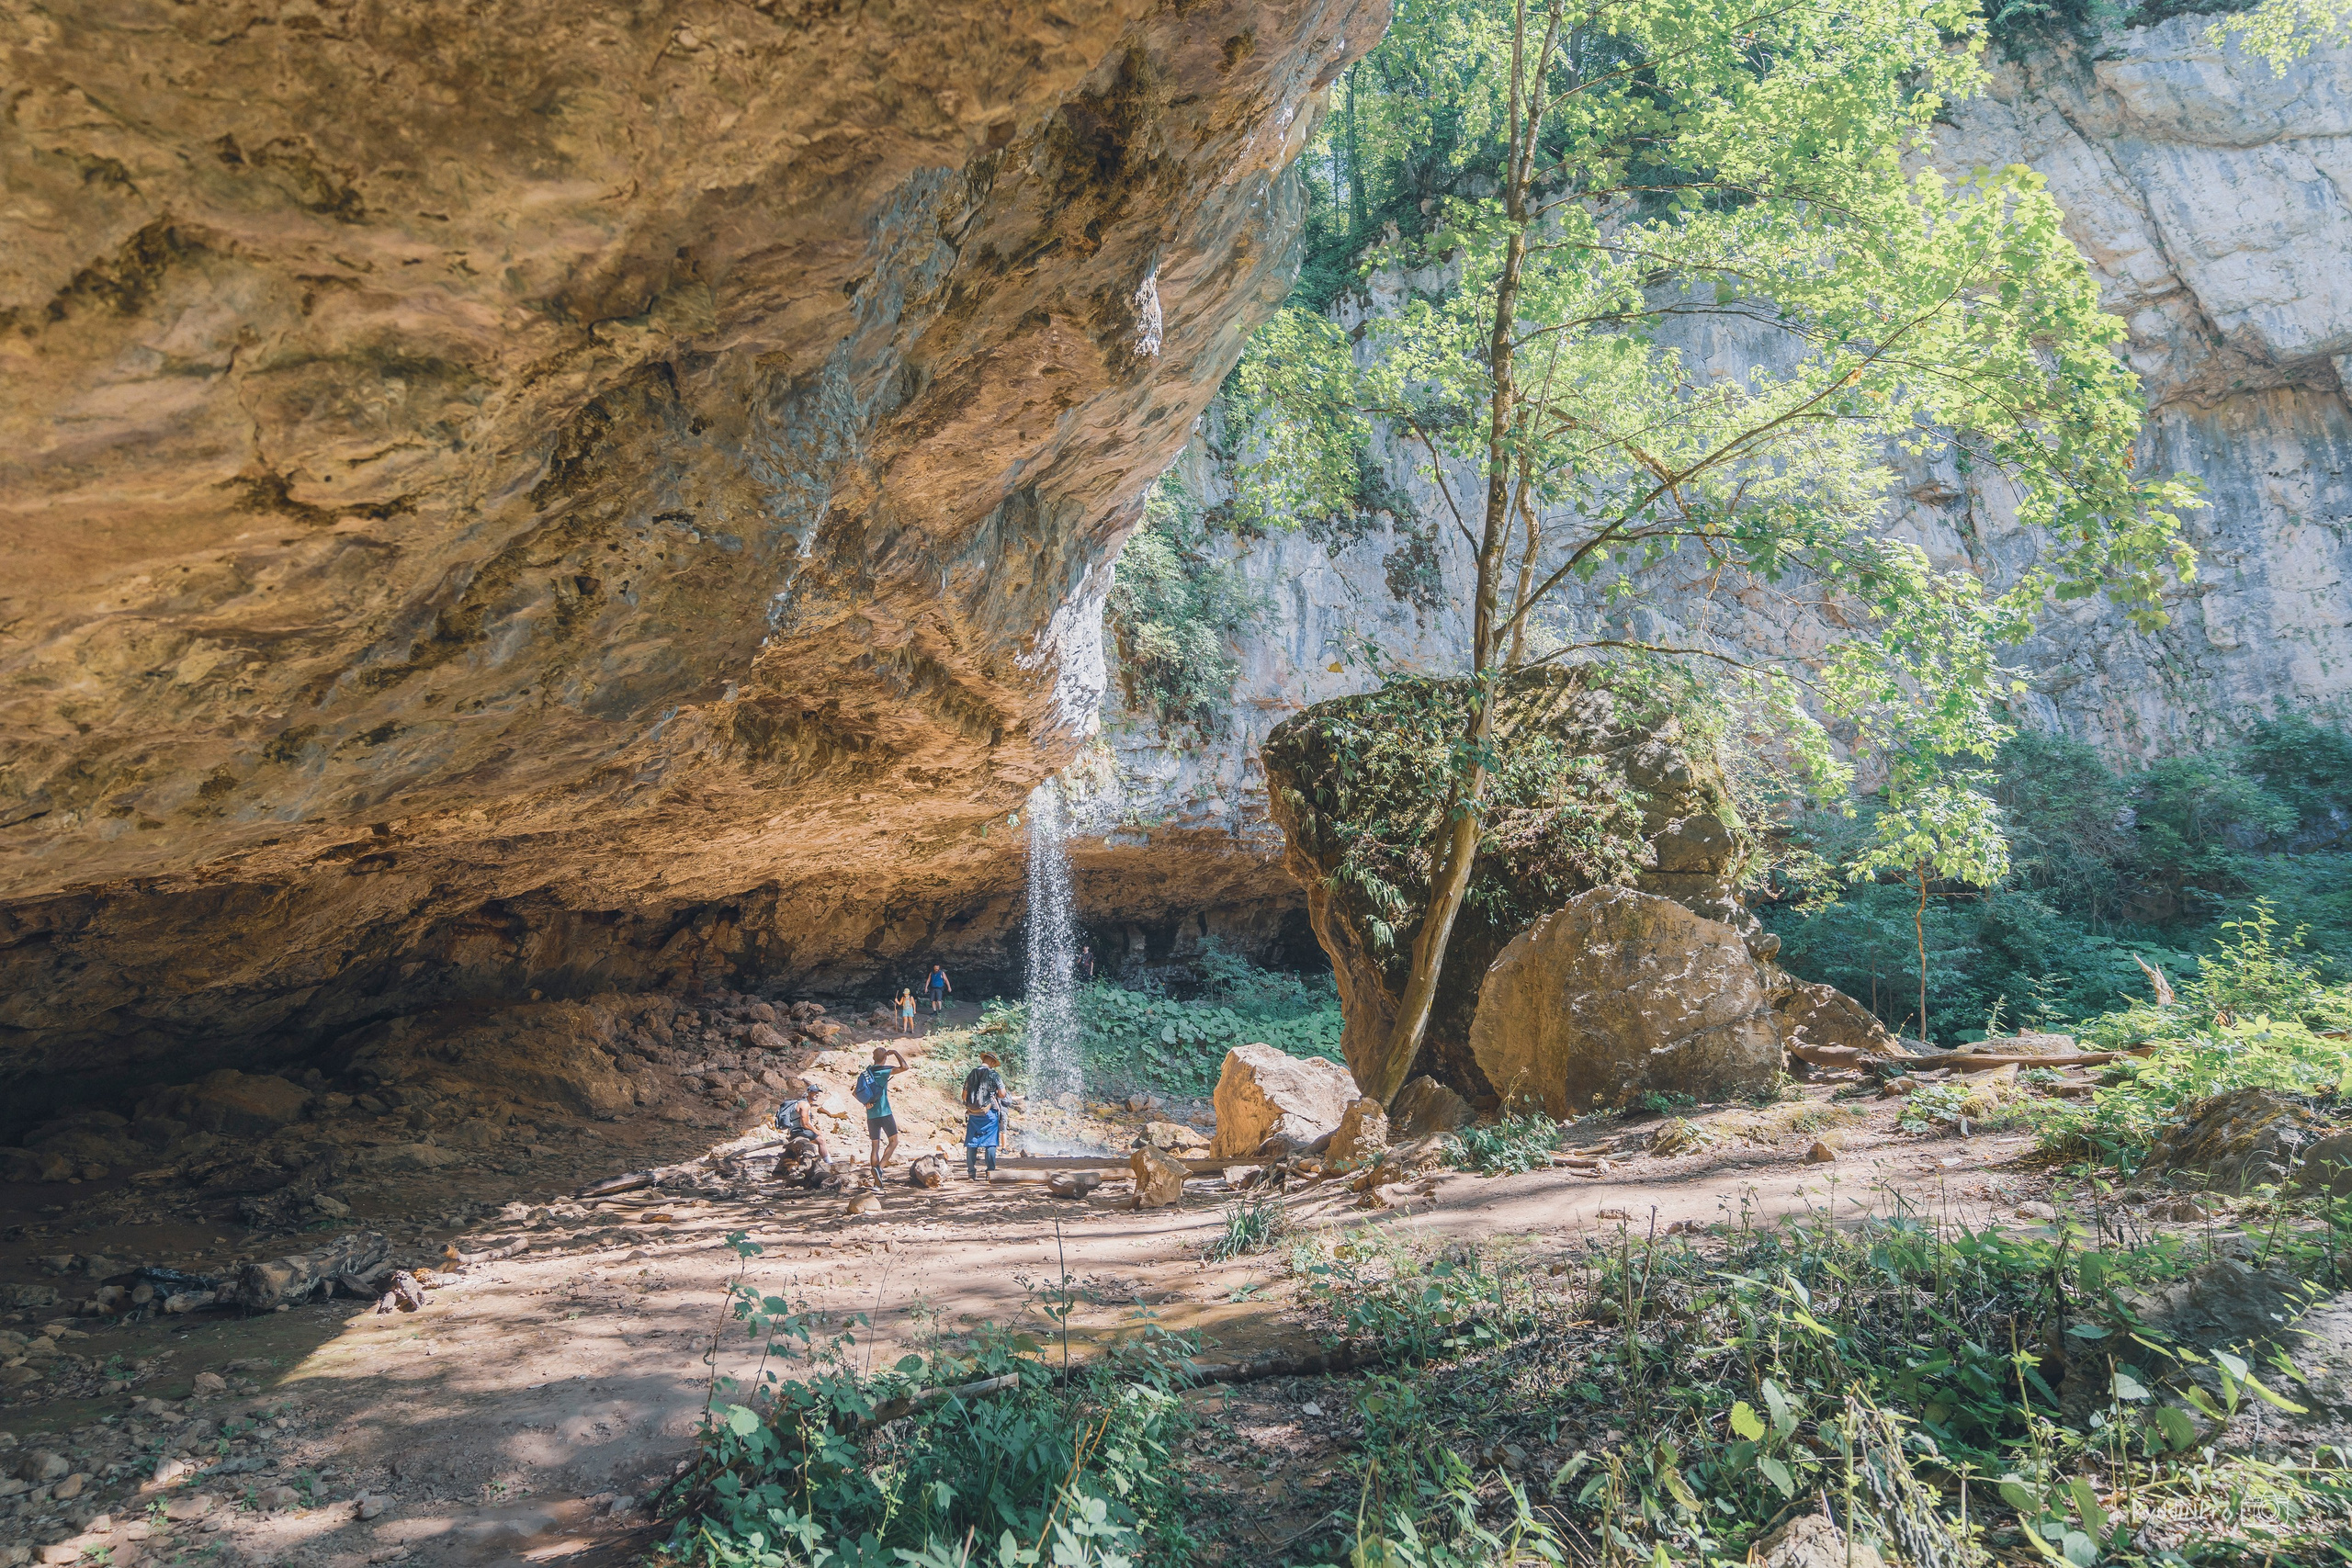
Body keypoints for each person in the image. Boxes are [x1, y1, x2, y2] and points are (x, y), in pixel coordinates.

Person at [961, 1051, 1020, 1180]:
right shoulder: (994, 1075)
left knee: (971, 1142)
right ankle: (990, 1173)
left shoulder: (972, 1074)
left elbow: (964, 1096)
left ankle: (971, 1173)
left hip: (974, 1113)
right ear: (992, 1062)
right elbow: (1003, 1094)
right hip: (990, 1113)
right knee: (990, 1142)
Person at [854, 1045, 909, 1179]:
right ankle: (879, 1169)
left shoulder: (865, 1073)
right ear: (885, 1057)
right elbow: (905, 1067)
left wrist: (866, 1103)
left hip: (871, 1114)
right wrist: (896, 1052)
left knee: (875, 1146)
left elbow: (855, 1093)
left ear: (873, 1058)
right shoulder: (885, 1071)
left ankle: (875, 1178)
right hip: (884, 1112)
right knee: (894, 1141)